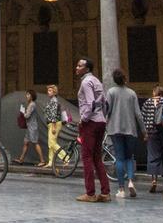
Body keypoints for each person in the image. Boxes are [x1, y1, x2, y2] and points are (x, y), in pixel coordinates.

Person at [73, 57, 111, 203]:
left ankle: (90, 193)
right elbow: (104, 102)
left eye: (79, 65)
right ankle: (105, 192)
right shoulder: (97, 81)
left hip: (91, 122)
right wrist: (103, 117)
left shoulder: (86, 82)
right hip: (101, 121)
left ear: (87, 69)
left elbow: (91, 104)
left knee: (87, 157)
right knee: (96, 158)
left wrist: (83, 120)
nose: (77, 68)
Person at [106, 69, 143, 198]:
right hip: (130, 129)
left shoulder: (111, 92)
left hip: (115, 129)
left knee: (120, 158)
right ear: (124, 79)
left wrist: (105, 123)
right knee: (129, 157)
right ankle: (131, 181)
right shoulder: (132, 93)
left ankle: (121, 189)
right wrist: (144, 130)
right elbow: (138, 114)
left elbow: (107, 110)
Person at [142, 85, 163, 193]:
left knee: (153, 156)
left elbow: (142, 117)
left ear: (154, 92)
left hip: (151, 132)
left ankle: (154, 181)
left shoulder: (147, 102)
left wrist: (145, 133)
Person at [16, 90, 44, 166]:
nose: (26, 96)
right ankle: (21, 159)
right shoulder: (31, 104)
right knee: (26, 143)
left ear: (32, 96)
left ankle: (42, 161)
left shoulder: (32, 104)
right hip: (30, 127)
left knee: (35, 143)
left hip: (32, 127)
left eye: (28, 95)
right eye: (26, 94)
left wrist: (22, 112)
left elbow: (27, 116)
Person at [40, 84, 64, 167]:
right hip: (52, 123)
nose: (48, 92)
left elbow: (53, 114)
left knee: (52, 143)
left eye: (50, 91)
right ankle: (50, 162)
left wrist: (53, 126)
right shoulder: (51, 100)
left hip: (55, 123)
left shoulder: (54, 100)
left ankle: (65, 158)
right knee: (50, 143)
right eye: (48, 90)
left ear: (54, 92)